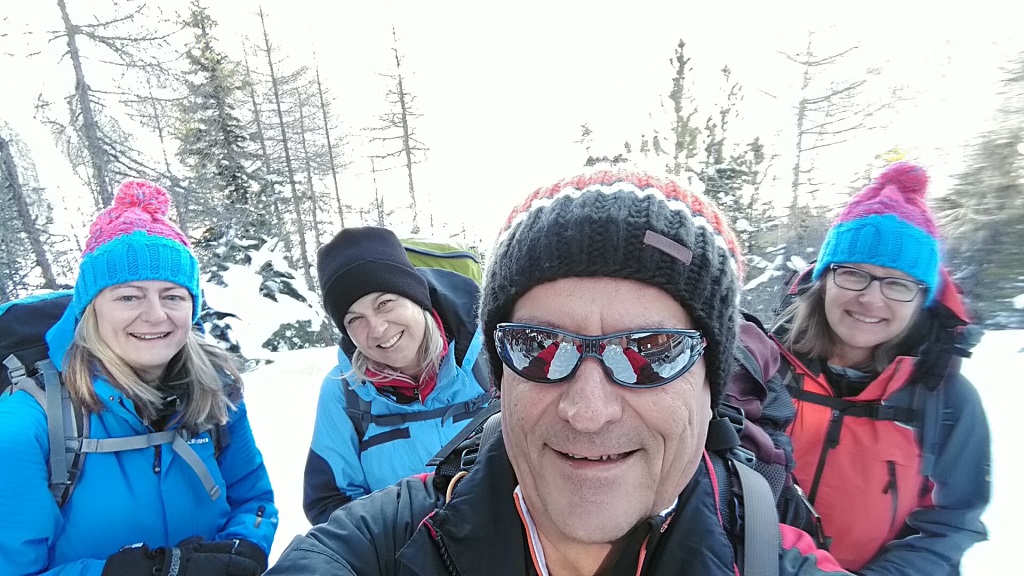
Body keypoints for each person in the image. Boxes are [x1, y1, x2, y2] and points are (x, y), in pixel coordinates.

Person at [267, 169, 847, 575]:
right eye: (538, 347)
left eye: (651, 351)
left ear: (709, 384)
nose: (587, 411)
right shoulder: (403, 529)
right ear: (502, 380)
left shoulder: (768, 554)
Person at [0, 179, 277, 576]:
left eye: (173, 296)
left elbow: (253, 500)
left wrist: (245, 546)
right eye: (128, 296)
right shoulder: (27, 426)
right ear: (90, 310)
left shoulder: (216, 391)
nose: (155, 315)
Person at [770, 162, 990, 574]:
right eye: (854, 274)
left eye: (898, 283)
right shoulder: (763, 370)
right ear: (825, 279)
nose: (871, 299)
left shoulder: (946, 401)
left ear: (922, 298)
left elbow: (949, 524)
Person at [303, 226, 491, 525]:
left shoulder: (490, 354)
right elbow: (329, 503)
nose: (377, 329)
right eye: (355, 319)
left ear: (416, 297)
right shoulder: (344, 393)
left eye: (385, 303)